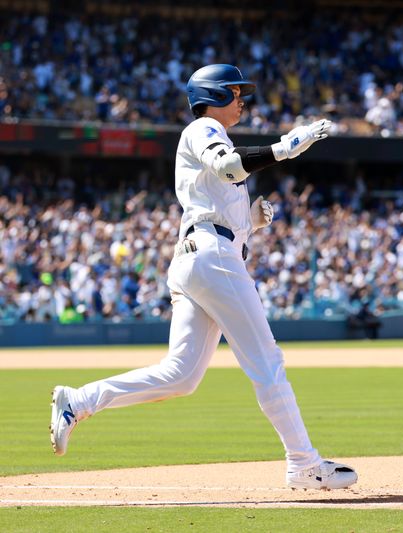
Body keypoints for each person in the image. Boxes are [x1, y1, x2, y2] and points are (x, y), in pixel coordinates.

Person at [49, 64, 357, 491]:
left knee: (181, 375)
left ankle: (79, 401)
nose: (241, 100)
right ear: (211, 96)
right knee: (267, 362)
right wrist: (284, 148)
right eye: (234, 92)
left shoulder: (214, 135)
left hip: (203, 254)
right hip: (211, 257)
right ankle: (303, 462)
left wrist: (248, 223)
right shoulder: (202, 129)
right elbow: (231, 168)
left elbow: (214, 197)